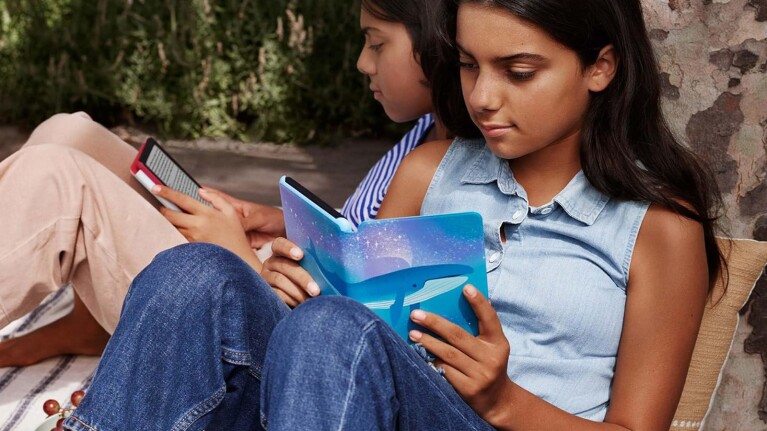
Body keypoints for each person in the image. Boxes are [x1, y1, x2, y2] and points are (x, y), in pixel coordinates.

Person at [64, 0, 724, 429]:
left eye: (517, 71)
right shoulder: (429, 169)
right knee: (196, 270)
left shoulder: (659, 226)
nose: (483, 97)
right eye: (468, 66)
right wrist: (297, 286)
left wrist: (500, 398)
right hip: (357, 401)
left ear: (600, 67)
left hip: (497, 419)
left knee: (329, 329)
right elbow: (355, 332)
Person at [0, 0, 445, 367]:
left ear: (433, 45)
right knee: (69, 132)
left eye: (377, 43)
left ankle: (103, 318)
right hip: (265, 271)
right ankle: (89, 322)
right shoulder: (424, 128)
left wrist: (235, 254)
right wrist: (276, 222)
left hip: (257, 323)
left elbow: (357, 336)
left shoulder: (439, 169)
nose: (362, 62)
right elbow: (356, 239)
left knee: (56, 181)